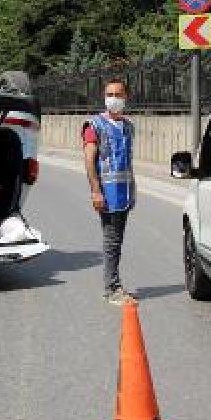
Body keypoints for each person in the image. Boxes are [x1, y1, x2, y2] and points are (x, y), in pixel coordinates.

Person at [82, 76, 136, 306]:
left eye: (118, 95)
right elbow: (89, 160)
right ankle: (111, 288)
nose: (113, 99)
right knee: (112, 242)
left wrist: (133, 188)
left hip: (123, 194)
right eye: (109, 95)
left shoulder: (128, 126)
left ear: (126, 97)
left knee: (117, 241)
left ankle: (114, 284)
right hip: (107, 193)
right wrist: (96, 191)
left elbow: (127, 162)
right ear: (104, 98)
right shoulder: (94, 125)